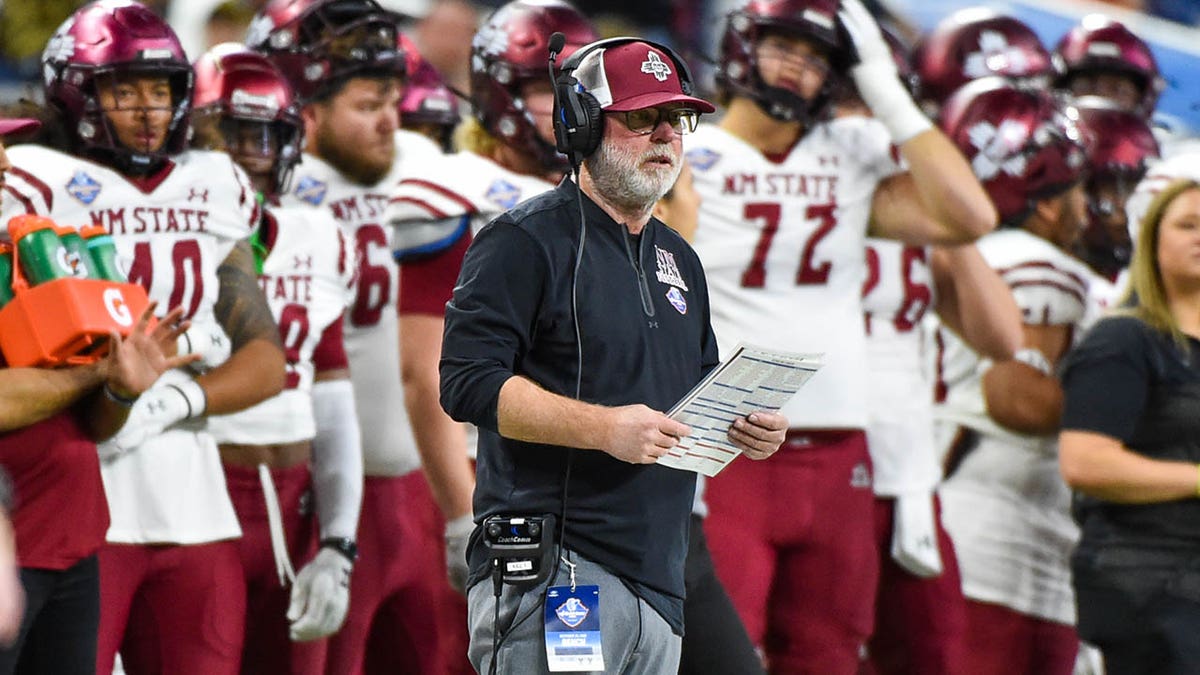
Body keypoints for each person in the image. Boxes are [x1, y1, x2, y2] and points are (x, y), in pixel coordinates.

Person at [439, 37, 788, 674]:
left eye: (674, 119)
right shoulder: (521, 241)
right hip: (556, 569)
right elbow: (467, 383)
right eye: (639, 117)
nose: (664, 135)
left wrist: (743, 426)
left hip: (662, 576)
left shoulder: (679, 258)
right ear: (581, 124)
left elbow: (694, 391)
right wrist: (604, 428)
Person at [687, 0, 995, 671]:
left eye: (819, 55)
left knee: (827, 653)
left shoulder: (849, 151)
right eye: (785, 46)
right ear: (742, 42)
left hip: (837, 447)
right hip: (723, 438)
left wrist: (883, 86)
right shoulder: (685, 147)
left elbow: (971, 215)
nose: (799, 67)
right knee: (720, 651)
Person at [2, 2, 289, 672]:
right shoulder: (29, 177)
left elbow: (263, 356)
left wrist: (173, 397)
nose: (146, 109)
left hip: (192, 492)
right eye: (122, 89)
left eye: (160, 90)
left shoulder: (213, 182)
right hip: (74, 489)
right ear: (75, 90)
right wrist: (105, 386)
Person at [388, 3, 597, 672]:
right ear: (499, 93)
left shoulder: (592, 195)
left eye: (578, 85)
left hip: (575, 482)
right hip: (488, 479)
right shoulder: (458, 188)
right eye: (544, 87)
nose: (566, 104)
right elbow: (427, 371)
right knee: (474, 656)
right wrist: (458, 510)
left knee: (571, 661)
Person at [247, 1, 446, 671]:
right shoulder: (275, 189)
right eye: (367, 103)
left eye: (393, 97)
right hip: (320, 491)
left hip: (421, 488)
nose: (392, 119)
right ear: (300, 108)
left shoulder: (424, 161)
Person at [0, 113, 204, 675]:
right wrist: (95, 375)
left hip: (74, 542)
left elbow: (91, 425)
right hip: (9, 551)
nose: (5, 165)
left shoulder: (30, 255)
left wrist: (120, 390)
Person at [191, 43, 363, 674]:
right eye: (236, 133)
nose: (254, 153)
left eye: (269, 134)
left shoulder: (319, 234)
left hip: (296, 507)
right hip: (200, 491)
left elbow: (332, 398)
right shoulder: (169, 229)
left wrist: (340, 541)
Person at [933, 77, 1093, 675]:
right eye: (1082, 189)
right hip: (1003, 538)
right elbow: (1016, 397)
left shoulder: (974, 251)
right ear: (1049, 200)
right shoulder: (1041, 264)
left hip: (951, 505)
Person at [1059, 178, 1200, 675]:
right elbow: (1084, 462)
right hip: (1150, 584)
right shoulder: (1124, 339)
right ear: (1152, 243)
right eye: (1187, 225)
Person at [1051, 15, 1162, 120]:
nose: (1100, 99)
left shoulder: (1165, 139)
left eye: (1117, 90)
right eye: (1087, 86)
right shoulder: (1041, 135)